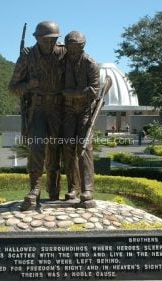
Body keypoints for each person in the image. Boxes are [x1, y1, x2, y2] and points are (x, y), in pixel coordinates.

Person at [8, 21, 66, 210]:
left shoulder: (64, 54)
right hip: (38, 109)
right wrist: (29, 85)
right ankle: (34, 189)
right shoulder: (27, 58)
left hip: (58, 109)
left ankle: (54, 189)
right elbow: (13, 88)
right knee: (37, 148)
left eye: (54, 40)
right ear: (37, 38)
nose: (51, 44)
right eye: (47, 40)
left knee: (56, 150)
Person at [62, 31, 100, 203]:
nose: (72, 53)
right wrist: (78, 93)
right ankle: (72, 188)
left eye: (76, 49)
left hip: (85, 111)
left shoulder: (90, 64)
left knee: (84, 149)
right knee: (68, 149)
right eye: (70, 49)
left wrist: (72, 93)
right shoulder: (62, 63)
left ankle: (88, 189)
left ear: (82, 47)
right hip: (68, 112)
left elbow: (94, 91)